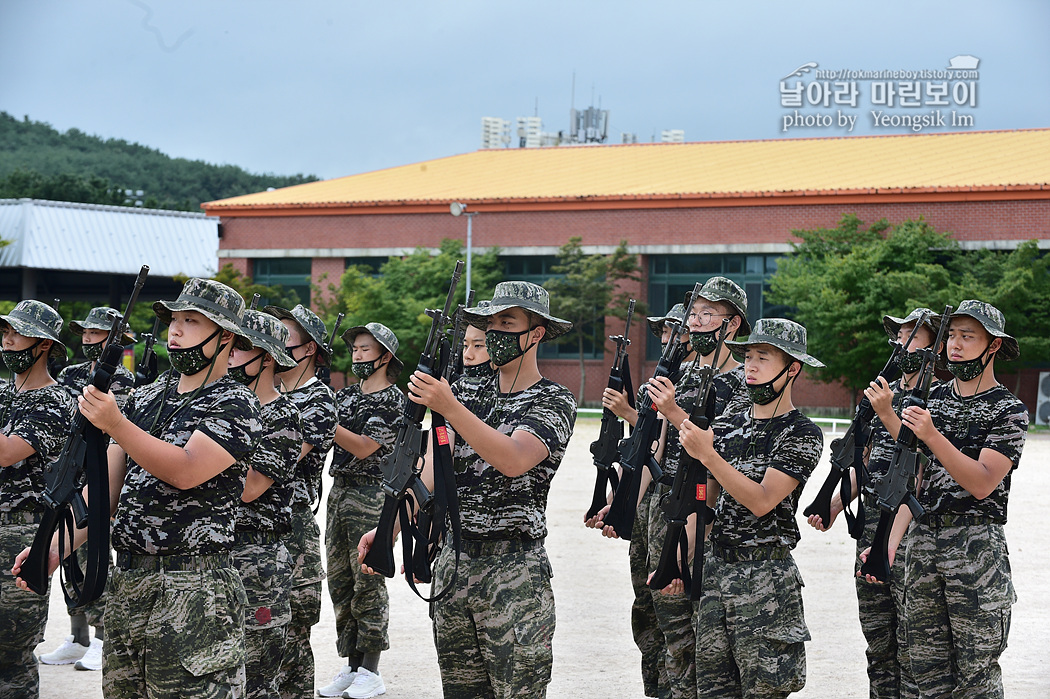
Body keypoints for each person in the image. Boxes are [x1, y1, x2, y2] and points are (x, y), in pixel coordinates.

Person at [15, 278, 263, 697]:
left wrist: (115, 424)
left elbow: (186, 470)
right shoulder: (147, 399)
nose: (176, 331)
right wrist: (56, 546)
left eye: (192, 321)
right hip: (129, 584)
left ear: (226, 338)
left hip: (195, 589)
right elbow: (106, 491)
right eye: (173, 320)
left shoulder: (236, 403)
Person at [360, 281, 577, 698]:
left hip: (514, 574)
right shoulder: (466, 391)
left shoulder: (554, 399)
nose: (495, 332)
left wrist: (449, 407)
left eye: (507, 322)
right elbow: (432, 474)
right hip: (454, 566)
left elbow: (514, 459)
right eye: (490, 322)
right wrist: (390, 527)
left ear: (536, 334)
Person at [860, 300, 1028, 698]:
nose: (955, 344)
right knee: (922, 670)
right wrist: (886, 546)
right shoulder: (929, 399)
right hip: (921, 549)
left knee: (975, 674)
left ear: (992, 347)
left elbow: (983, 482)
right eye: (951, 334)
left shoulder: (1008, 411)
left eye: (968, 336)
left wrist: (932, 435)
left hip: (974, 551)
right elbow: (912, 482)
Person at [679, 318, 824, 698]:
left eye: (764, 357)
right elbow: (707, 500)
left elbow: (762, 500)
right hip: (716, 572)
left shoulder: (802, 432)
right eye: (747, 357)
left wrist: (709, 456)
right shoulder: (728, 424)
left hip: (765, 579)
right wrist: (680, 558)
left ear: (792, 368)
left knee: (764, 690)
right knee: (712, 689)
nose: (751, 366)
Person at [808, 307, 940, 699]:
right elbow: (865, 466)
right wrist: (835, 504)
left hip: (914, 538)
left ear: (934, 348)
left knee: (916, 649)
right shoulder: (885, 394)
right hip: (870, 531)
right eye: (900, 335)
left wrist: (888, 413)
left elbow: (925, 464)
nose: (902, 342)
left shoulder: (941, 399)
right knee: (879, 644)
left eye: (913, 336)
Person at [643, 277, 752, 699]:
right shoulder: (680, 374)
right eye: (694, 314)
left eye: (709, 314)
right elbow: (656, 448)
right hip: (666, 509)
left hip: (709, 514)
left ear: (733, 323)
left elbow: (722, 454)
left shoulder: (746, 384)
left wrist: (673, 410)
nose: (698, 322)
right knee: (665, 625)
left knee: (704, 636)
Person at [589, 301, 687, 699]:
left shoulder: (705, 386)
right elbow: (643, 452)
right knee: (645, 606)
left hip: (682, 509)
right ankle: (656, 687)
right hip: (649, 509)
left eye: (673, 333)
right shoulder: (656, 385)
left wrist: (630, 410)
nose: (666, 340)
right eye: (663, 334)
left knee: (674, 611)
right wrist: (620, 498)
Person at [40, 307, 136, 672]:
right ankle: (77, 636)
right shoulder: (69, 374)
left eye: (96, 332)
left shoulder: (123, 382)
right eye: (85, 331)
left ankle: (101, 636)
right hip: (68, 467)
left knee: (94, 557)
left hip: (98, 470)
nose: (87, 338)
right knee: (66, 560)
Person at [319, 323, 405, 699]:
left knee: (368, 581)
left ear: (385, 357)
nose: (357, 356)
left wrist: (323, 417)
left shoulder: (392, 400)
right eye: (354, 349)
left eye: (365, 350)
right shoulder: (346, 396)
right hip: (340, 493)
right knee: (340, 582)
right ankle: (352, 665)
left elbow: (364, 447)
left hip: (372, 494)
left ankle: (372, 669)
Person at [0, 300, 77, 699]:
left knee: (9, 657)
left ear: (44, 344)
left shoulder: (55, 401)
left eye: (18, 332)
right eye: (5, 331)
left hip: (21, 533)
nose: (7, 339)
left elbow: (7, 451)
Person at [263, 303, 337, 699]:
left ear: (309, 349)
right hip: (252, 529)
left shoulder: (318, 400)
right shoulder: (259, 390)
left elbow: (278, 460)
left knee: (290, 642)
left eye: (284, 338)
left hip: (291, 529)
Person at [229, 309, 304, 699]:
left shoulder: (284, 415)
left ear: (268, 357)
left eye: (241, 347)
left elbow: (251, 487)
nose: (230, 355)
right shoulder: (220, 404)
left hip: (257, 558)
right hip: (216, 553)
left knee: (257, 679)